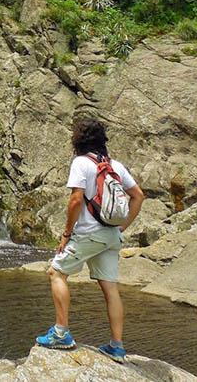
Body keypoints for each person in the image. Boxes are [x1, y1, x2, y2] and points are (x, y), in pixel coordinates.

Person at [36, 118, 145, 363]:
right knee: (110, 287)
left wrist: (66, 233)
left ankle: (61, 333)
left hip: (88, 233)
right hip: (111, 235)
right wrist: (121, 227)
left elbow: (76, 200)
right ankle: (116, 346)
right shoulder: (115, 165)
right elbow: (138, 196)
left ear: (78, 140)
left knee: (56, 272)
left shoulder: (81, 163)